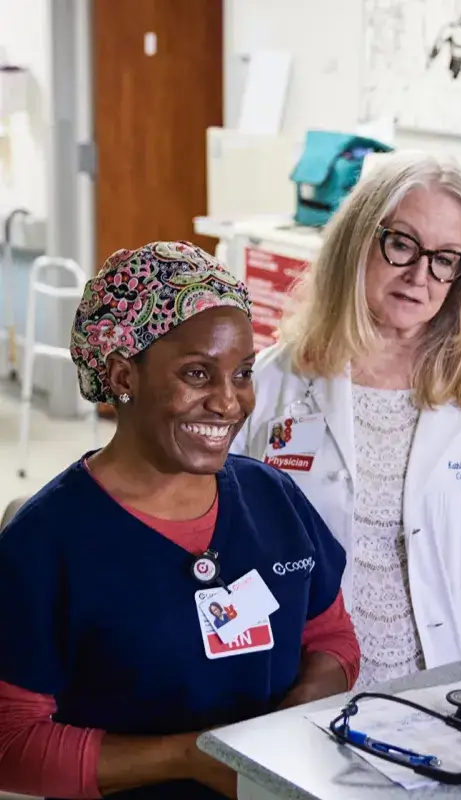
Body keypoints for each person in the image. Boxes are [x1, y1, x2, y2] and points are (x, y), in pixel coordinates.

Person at [0, 242, 360, 800]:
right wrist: (189, 758)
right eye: (198, 373)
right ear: (124, 374)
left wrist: (279, 735)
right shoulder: (45, 545)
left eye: (241, 373)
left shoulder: (273, 498)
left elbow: (332, 637)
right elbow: (11, 743)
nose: (229, 402)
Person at [232, 150, 461, 690]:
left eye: (446, 258)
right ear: (359, 238)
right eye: (402, 244)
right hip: (303, 689)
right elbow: (229, 542)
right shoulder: (275, 380)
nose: (420, 275)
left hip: (450, 691)